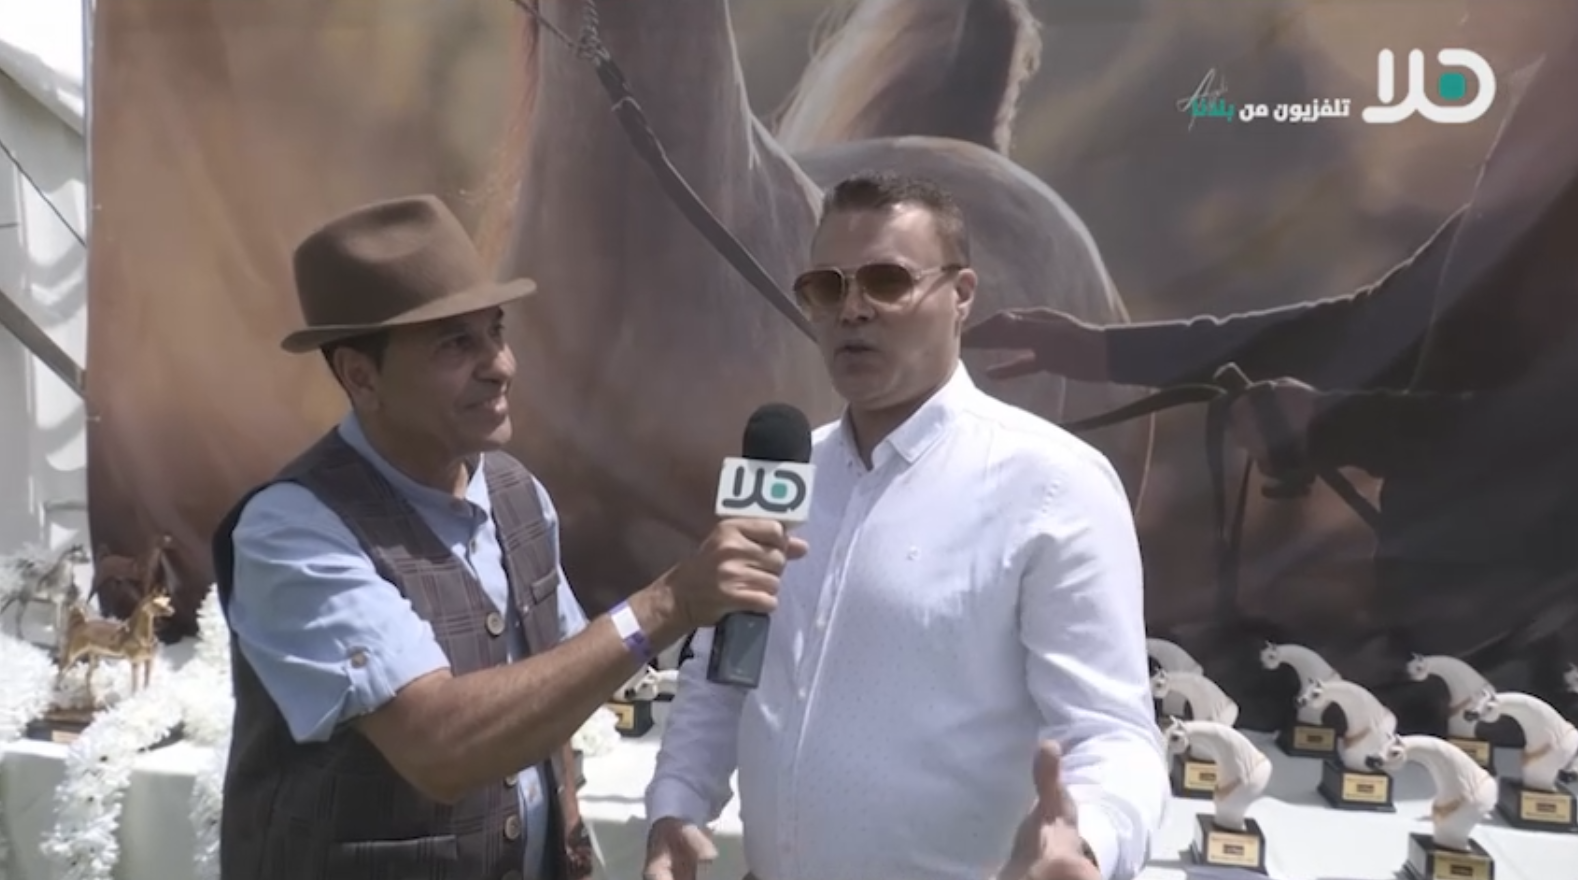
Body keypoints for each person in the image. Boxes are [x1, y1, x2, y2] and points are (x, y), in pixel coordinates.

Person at [960, 12, 1578, 720]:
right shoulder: (1532, 174)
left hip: (1533, 636)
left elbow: (1547, 430)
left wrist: (1333, 420)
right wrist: (1102, 350)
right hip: (1456, 619)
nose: (1462, 10)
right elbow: (1375, 324)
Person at [212, 195, 806, 880]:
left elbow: (553, 680)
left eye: (495, 331)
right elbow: (439, 748)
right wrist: (667, 604)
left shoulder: (515, 491)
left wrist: (570, 826)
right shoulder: (294, 530)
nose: (500, 364)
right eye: (454, 344)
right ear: (360, 376)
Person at [642, 172, 1166, 880]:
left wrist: (1089, 840)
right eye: (827, 287)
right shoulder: (787, 472)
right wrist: (676, 805)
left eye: (887, 281)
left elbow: (1113, 734)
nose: (853, 310)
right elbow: (723, 671)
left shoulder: (1053, 484)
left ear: (962, 295)